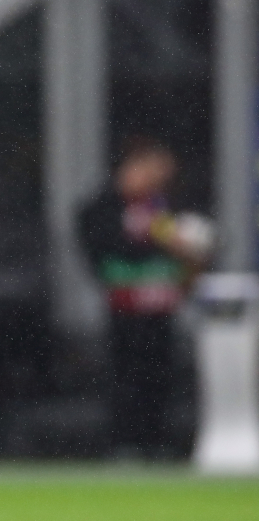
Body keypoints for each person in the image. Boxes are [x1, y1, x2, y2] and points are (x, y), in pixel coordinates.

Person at [79, 137, 212, 456]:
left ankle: (156, 441)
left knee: (159, 376)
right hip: (124, 306)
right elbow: (104, 247)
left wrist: (187, 257)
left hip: (161, 306)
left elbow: (193, 250)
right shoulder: (103, 208)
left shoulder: (166, 206)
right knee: (125, 375)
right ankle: (125, 443)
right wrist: (158, 240)